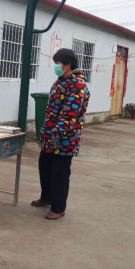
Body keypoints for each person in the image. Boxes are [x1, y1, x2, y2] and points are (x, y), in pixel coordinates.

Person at [31, 48, 90, 220]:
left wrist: (57, 133)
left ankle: (58, 207)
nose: (55, 67)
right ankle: (46, 197)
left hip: (64, 139)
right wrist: (46, 133)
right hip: (50, 136)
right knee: (45, 168)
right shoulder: (60, 82)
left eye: (57, 63)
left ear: (68, 64)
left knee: (59, 174)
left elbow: (70, 113)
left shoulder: (77, 85)